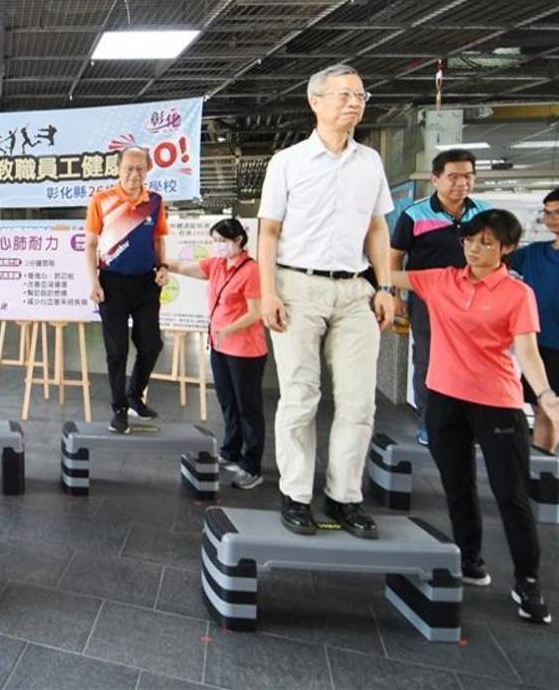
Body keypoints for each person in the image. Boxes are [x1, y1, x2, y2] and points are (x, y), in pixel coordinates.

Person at [392, 209, 559, 624]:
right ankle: (470, 560)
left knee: (511, 495)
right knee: (457, 486)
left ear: (506, 248)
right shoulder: (441, 279)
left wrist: (545, 396)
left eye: (486, 243)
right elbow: (391, 270)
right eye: (470, 240)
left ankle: (527, 582)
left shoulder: (516, 294)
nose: (475, 248)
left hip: (496, 402)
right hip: (444, 400)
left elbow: (526, 351)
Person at [257, 63, 396, 539]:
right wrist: (267, 290)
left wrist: (387, 286)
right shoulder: (288, 162)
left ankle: (344, 497)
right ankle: (296, 495)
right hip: (298, 287)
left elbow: (378, 227)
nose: (354, 103)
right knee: (300, 395)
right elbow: (268, 231)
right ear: (315, 101)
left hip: (356, 289)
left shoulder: (370, 162)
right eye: (344, 95)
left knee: (358, 401)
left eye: (360, 95)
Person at [390, 148, 489, 446]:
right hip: (428, 299)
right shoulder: (414, 214)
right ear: (436, 179)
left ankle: (465, 424)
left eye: (468, 176)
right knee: (429, 361)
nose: (462, 183)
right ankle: (429, 423)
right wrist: (396, 296)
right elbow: (394, 259)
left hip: (474, 300)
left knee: (472, 360)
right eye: (454, 176)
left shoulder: (484, 212)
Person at [161, 218, 267, 489]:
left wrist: (228, 329)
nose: (218, 246)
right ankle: (231, 451)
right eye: (215, 241)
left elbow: (256, 312)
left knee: (248, 407)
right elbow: (187, 267)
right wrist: (163, 262)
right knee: (228, 402)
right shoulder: (218, 265)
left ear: (239, 240)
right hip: (220, 346)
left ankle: (251, 465)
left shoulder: (252, 270)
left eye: (222, 241)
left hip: (245, 350)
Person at [84, 145, 170, 434]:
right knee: (117, 350)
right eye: (128, 168)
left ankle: (136, 395)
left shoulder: (155, 201)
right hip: (112, 284)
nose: (134, 174)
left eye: (140, 169)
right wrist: (93, 280)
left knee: (151, 344)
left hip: (146, 283)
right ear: (118, 169)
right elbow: (91, 244)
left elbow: (158, 239)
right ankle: (119, 408)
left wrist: (163, 267)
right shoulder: (102, 200)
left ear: (148, 170)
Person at [509, 186, 559, 454]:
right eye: (548, 213)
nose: (552, 218)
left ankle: (545, 469)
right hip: (533, 344)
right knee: (540, 408)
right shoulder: (533, 253)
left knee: (552, 410)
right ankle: (543, 467)